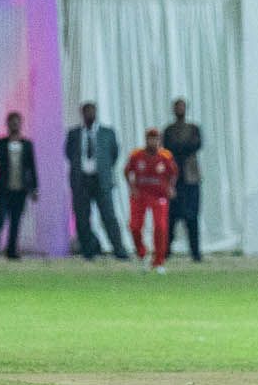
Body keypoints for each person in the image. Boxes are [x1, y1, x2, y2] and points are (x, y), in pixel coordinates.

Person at [64, 101, 129, 261]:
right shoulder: (74, 134)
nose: (89, 114)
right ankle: (88, 251)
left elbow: (114, 154)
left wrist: (103, 170)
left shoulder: (107, 133)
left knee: (109, 216)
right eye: (86, 111)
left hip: (101, 181)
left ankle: (119, 250)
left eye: (92, 111)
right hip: (81, 181)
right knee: (82, 217)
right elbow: (68, 154)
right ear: (82, 114)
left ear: (96, 113)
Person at [125, 128, 178, 273]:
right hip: (140, 195)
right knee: (134, 226)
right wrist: (132, 188)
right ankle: (142, 253)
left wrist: (171, 188)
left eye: (155, 139)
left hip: (159, 195)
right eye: (150, 139)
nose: (153, 142)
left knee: (160, 227)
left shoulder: (165, 156)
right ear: (146, 140)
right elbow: (127, 171)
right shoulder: (136, 155)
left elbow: (174, 173)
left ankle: (159, 261)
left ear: (159, 140)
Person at [0, 112, 39, 259]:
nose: (15, 124)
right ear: (8, 124)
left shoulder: (27, 145)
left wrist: (35, 188)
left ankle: (11, 251)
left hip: (20, 189)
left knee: (16, 221)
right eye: (12, 122)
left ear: (21, 124)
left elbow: (32, 168)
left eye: (17, 122)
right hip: (3, 189)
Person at [162, 98, 204, 262]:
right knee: (171, 217)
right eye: (177, 107)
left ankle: (195, 252)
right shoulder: (169, 130)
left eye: (182, 107)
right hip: (174, 179)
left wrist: (180, 149)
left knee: (192, 216)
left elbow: (196, 145)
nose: (180, 110)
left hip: (191, 178)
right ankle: (166, 250)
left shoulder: (194, 129)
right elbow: (167, 148)